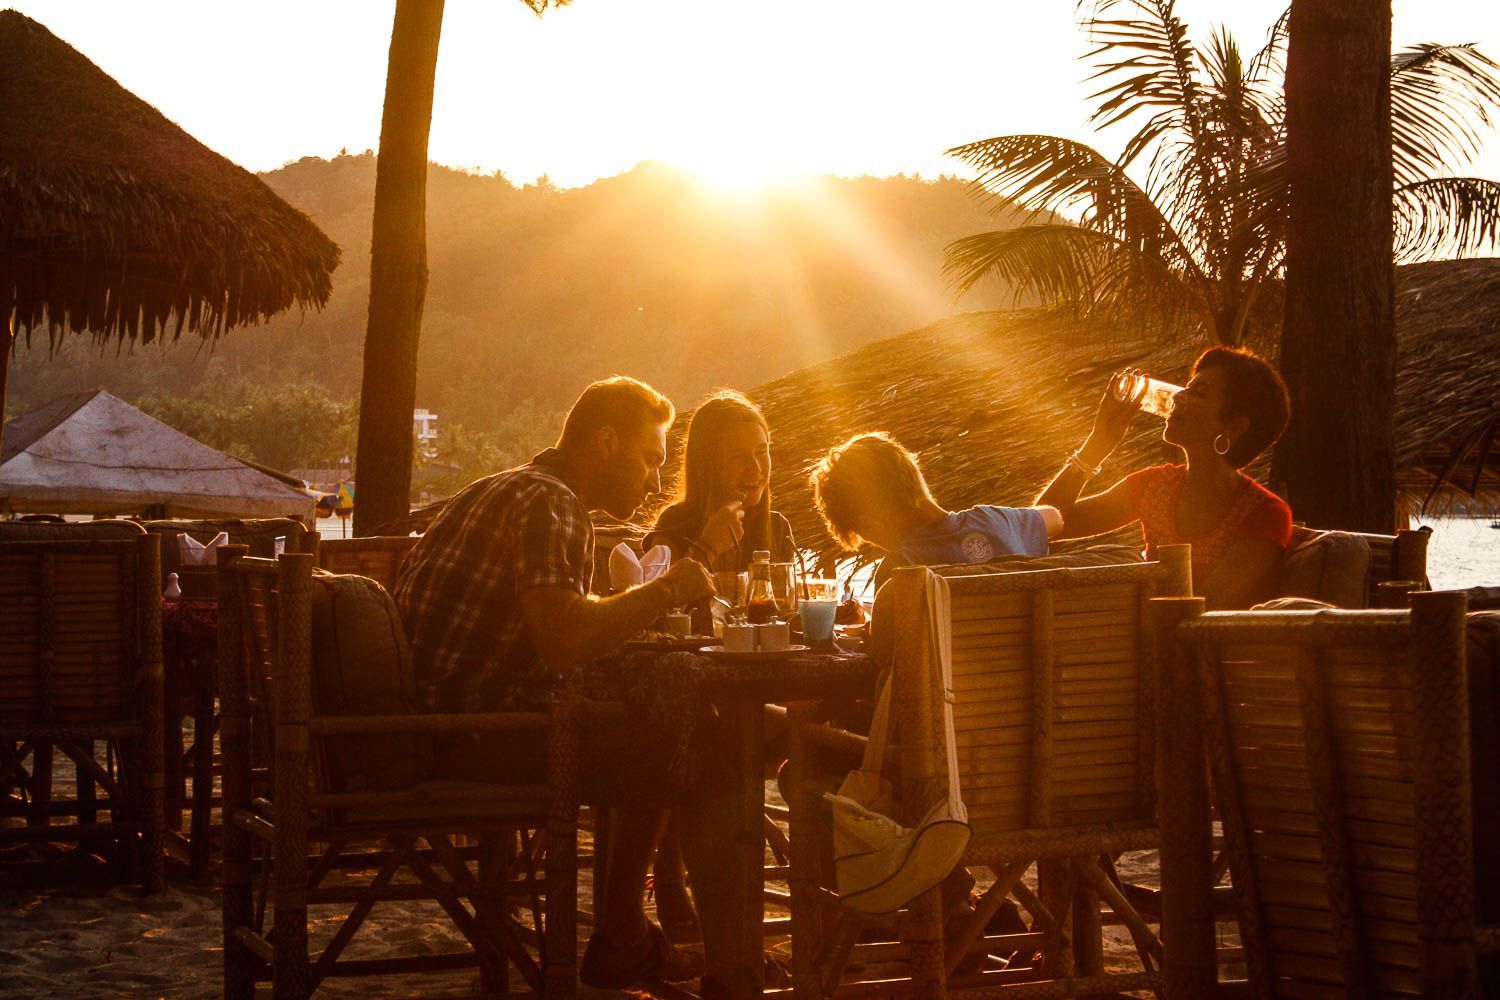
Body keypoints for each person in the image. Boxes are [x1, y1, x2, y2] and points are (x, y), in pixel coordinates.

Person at [393, 376, 719, 989]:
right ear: (605, 442)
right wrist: (669, 590)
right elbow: (563, 639)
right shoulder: (551, 503)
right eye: (651, 459)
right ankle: (629, 931)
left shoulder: (502, 486)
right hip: (472, 735)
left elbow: (544, 631)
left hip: (428, 720)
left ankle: (633, 926)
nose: (655, 480)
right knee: (679, 733)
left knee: (658, 713)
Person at [640, 390, 796, 944]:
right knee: (715, 743)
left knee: (827, 732)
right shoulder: (675, 526)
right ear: (707, 462)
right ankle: (697, 899)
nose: (755, 470)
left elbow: (786, 616)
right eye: (739, 457)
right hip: (687, 697)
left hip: (757, 692)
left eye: (762, 453)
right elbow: (658, 620)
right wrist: (703, 550)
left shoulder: (773, 527)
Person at [1037, 346, 1292, 609]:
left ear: (1234, 426)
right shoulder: (1156, 487)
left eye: (1199, 393)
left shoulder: (1264, 514)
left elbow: (1202, 612)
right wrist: (1097, 444)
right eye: (1187, 387)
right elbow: (1040, 527)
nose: (1179, 396)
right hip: (1142, 635)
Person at [811, 431, 1062, 586]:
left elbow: (888, 653)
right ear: (915, 475)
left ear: (869, 523)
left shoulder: (900, 569)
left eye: (865, 536)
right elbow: (1055, 517)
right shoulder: (997, 521)